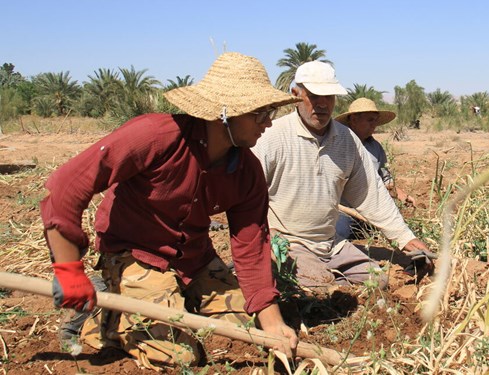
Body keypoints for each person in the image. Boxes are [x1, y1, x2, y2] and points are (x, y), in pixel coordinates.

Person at [41, 52, 301, 370]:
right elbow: (67, 185)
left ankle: (173, 302)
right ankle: (102, 318)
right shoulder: (155, 137)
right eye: (260, 114)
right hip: (136, 254)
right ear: (225, 114)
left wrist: (272, 323)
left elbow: (251, 247)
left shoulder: (246, 171)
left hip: (194, 260)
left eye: (270, 112)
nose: (269, 122)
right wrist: (68, 270)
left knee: (247, 333)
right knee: (179, 356)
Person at [251, 61, 437, 291]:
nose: (321, 104)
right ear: (296, 95)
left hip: (330, 245)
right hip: (289, 243)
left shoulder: (347, 140)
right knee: (316, 285)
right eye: (313, 95)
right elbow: (246, 200)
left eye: (328, 96)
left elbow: (372, 194)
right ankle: (309, 279)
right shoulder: (271, 137)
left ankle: (323, 277)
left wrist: (404, 238)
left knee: (377, 281)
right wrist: (266, 242)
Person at [334, 98, 415, 240]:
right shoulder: (339, 145)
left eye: (376, 121)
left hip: (371, 211)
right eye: (370, 120)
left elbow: (386, 180)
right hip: (345, 211)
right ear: (353, 120)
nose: (374, 125)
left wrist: (402, 195)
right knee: (340, 232)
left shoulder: (375, 148)